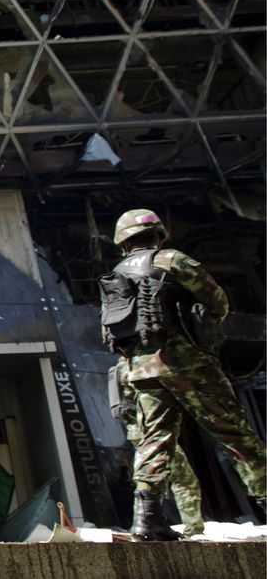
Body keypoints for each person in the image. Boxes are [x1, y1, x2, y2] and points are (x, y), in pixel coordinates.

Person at [100, 208, 266, 541]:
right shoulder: (172, 260)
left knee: (154, 440)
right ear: (158, 234)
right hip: (185, 361)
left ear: (123, 242)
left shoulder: (117, 273)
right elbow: (217, 302)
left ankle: (147, 519)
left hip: (141, 369)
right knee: (233, 431)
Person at [112, 358, 204, 537]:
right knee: (183, 479)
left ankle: (145, 524)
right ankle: (194, 529)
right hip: (152, 434)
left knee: (146, 481)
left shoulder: (118, 369)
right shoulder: (140, 365)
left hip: (137, 433)